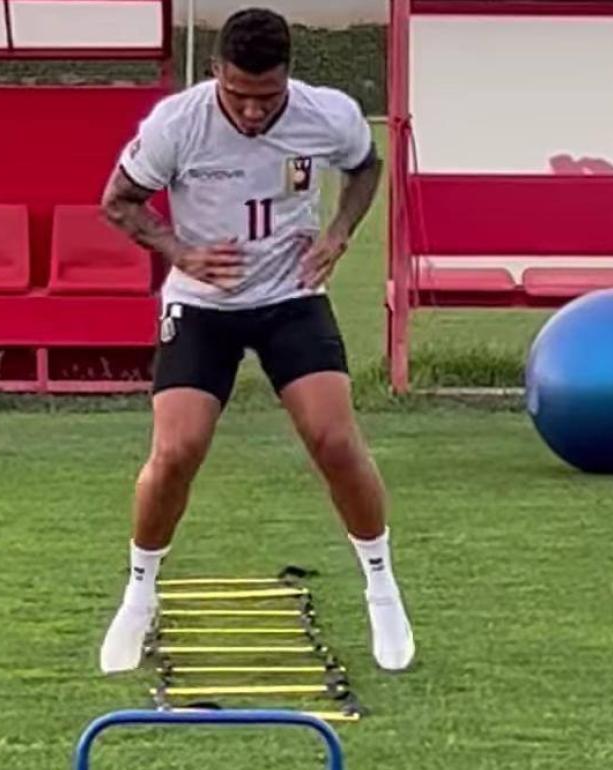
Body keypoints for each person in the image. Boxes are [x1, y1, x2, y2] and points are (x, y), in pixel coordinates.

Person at [97, 7, 414, 674]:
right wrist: (179, 250)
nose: (249, 112)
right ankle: (139, 590)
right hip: (203, 305)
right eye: (237, 95)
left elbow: (365, 168)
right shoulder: (177, 124)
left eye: (265, 98)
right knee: (178, 449)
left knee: (333, 438)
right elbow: (118, 201)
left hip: (290, 298)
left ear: (287, 80)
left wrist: (338, 233)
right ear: (216, 74)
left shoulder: (325, 114)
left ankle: (381, 584)